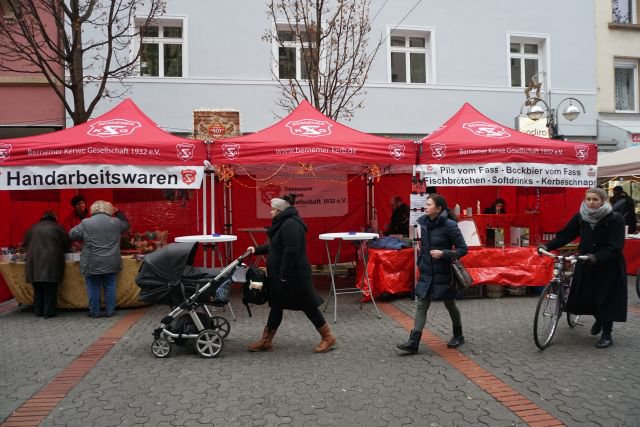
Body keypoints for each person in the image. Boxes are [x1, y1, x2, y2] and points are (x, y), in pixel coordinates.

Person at [246, 193, 336, 353]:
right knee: (276, 305)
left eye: (273, 209)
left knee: (308, 305)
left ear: (281, 210)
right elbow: (276, 246)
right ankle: (266, 340)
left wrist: (283, 274)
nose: (271, 212)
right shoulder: (283, 224)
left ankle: (328, 337)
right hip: (283, 275)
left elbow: (291, 252)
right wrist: (256, 250)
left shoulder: (291, 225)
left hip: (294, 276)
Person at [539, 187, 627, 348]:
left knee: (606, 298)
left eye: (595, 199)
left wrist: (597, 257)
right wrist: (547, 246)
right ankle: (599, 319)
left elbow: (615, 246)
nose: (591, 203)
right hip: (586, 262)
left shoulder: (615, 219)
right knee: (588, 295)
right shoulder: (581, 217)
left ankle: (607, 333)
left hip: (608, 264)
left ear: (603, 201)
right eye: (589, 199)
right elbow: (565, 235)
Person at [397, 194, 468, 354]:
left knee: (450, 304)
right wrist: (420, 263)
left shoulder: (450, 225)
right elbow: (424, 247)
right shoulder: (424, 223)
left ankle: (459, 335)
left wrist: (443, 253)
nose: (426, 207)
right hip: (427, 271)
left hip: (444, 273)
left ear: (438, 208)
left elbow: (463, 249)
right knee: (422, 304)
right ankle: (413, 342)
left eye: (429, 204)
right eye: (426, 204)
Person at [70, 200, 130, 318]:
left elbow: (72, 234)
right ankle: (110, 311)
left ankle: (94, 312)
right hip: (111, 261)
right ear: (109, 210)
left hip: (92, 261)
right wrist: (118, 213)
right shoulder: (116, 222)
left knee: (93, 286)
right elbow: (126, 225)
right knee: (110, 285)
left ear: (93, 209)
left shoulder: (86, 222)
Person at [23, 211, 70, 319]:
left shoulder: (32, 227)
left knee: (38, 288)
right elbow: (66, 244)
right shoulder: (58, 228)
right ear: (54, 218)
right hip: (51, 262)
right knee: (50, 288)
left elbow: (25, 242)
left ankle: (38, 311)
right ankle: (49, 312)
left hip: (34, 262)